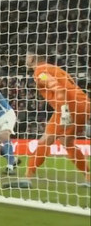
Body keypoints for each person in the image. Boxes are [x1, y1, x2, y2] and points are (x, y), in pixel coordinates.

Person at [25, 46, 90, 185]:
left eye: (27, 56)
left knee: (45, 140)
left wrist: (65, 110)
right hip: (85, 104)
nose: (25, 59)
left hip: (69, 105)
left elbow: (57, 88)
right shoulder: (55, 68)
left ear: (32, 57)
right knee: (67, 142)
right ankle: (88, 177)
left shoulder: (40, 71)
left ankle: (27, 177)